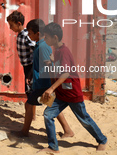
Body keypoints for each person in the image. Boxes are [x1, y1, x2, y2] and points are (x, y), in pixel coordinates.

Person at [41, 22, 107, 152]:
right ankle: (53, 147)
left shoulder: (64, 52)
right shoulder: (58, 51)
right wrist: (53, 62)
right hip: (62, 95)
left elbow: (65, 73)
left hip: (72, 94)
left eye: (46, 37)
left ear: (55, 37)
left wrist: (51, 88)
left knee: (84, 120)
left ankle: (102, 140)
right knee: (48, 115)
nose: (44, 39)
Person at [19, 19, 74, 137]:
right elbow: (40, 64)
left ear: (37, 33)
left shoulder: (43, 47)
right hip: (41, 82)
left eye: (30, 33)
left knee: (29, 105)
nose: (28, 35)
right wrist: (30, 75)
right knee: (51, 105)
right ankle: (68, 130)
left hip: (43, 83)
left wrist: (51, 86)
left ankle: (24, 132)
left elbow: (50, 66)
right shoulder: (40, 45)